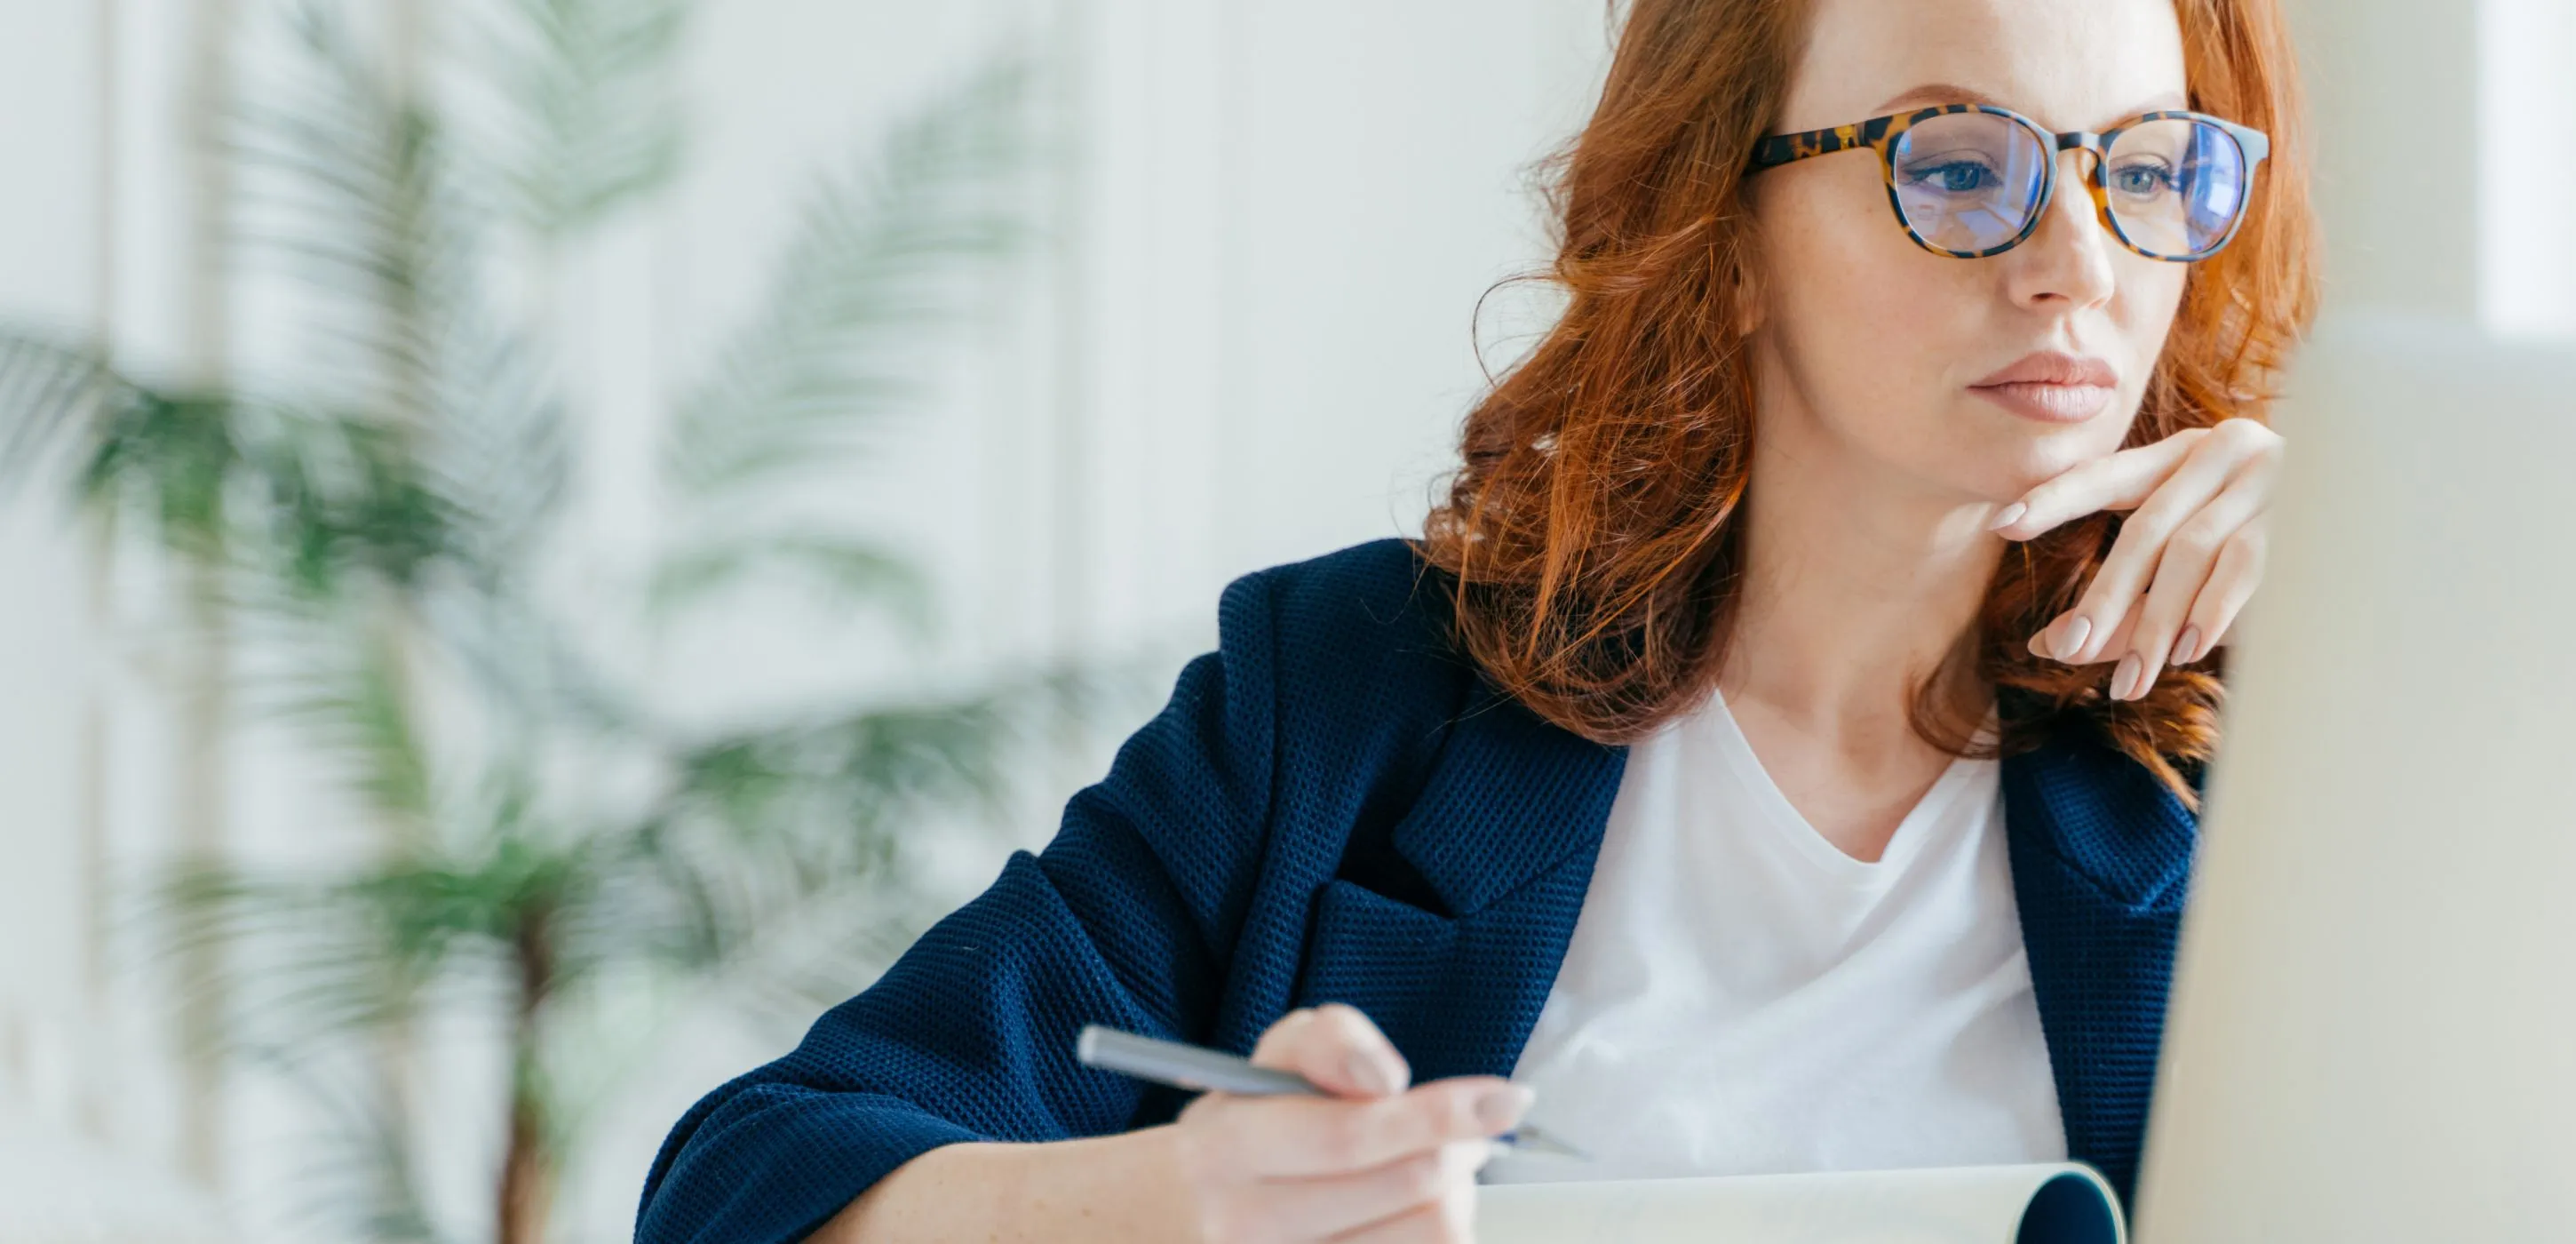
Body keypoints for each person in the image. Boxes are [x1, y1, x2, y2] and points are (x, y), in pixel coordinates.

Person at [634, 0, 2316, 1237]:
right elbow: (744, 1185)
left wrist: (2368, 625)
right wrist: (1171, 1200)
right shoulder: (1356, 700)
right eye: (1958, 168)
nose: (2080, 265)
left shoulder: (2295, 737)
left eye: (2150, 169)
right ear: (1721, 241)